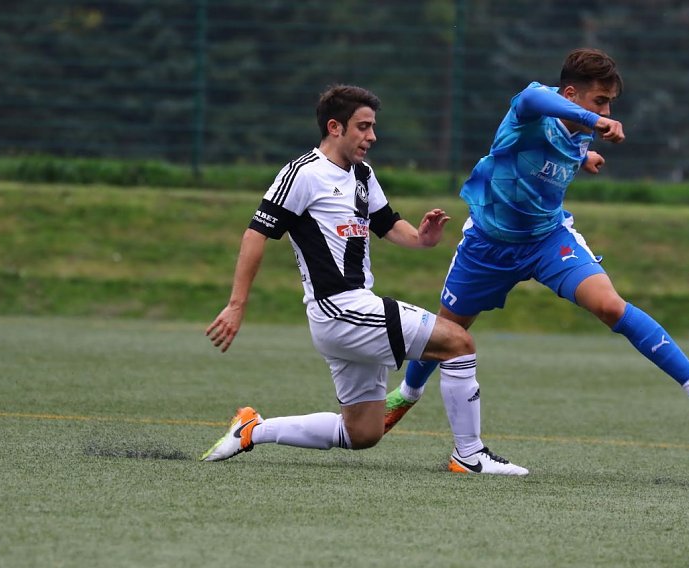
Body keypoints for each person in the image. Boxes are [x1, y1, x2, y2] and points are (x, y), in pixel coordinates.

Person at [384, 48, 689, 433]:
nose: (604, 111)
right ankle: (406, 395)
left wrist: (584, 158)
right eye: (599, 101)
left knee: (611, 306)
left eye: (609, 104)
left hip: (547, 240)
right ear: (570, 95)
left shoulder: (580, 130)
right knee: (449, 331)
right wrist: (594, 120)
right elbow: (534, 99)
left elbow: (556, 149)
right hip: (488, 244)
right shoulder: (534, 106)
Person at [201, 84, 528, 475]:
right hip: (339, 309)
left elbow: (387, 224)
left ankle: (253, 429)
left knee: (363, 432)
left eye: (373, 127)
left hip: (352, 309)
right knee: (458, 342)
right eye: (364, 127)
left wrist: (421, 238)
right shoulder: (302, 174)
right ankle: (470, 456)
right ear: (335, 127)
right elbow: (256, 234)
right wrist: (236, 305)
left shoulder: (362, 174)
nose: (372, 137)